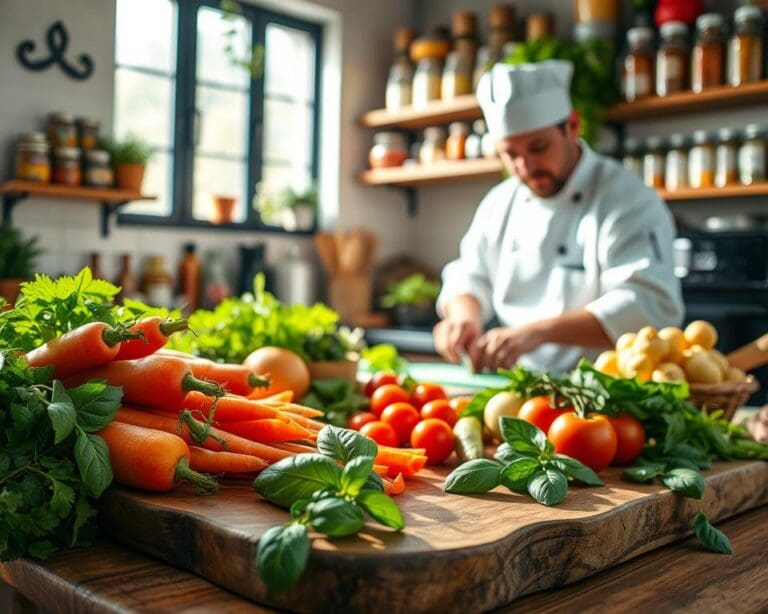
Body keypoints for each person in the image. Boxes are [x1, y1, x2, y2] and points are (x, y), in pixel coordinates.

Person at [433, 60, 684, 373]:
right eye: (510, 154)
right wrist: (463, 317)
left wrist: (537, 333)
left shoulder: (628, 199)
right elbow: (470, 274)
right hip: (518, 385)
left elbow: (649, 305)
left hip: (601, 390)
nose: (525, 166)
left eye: (538, 147)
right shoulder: (501, 202)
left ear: (572, 126)